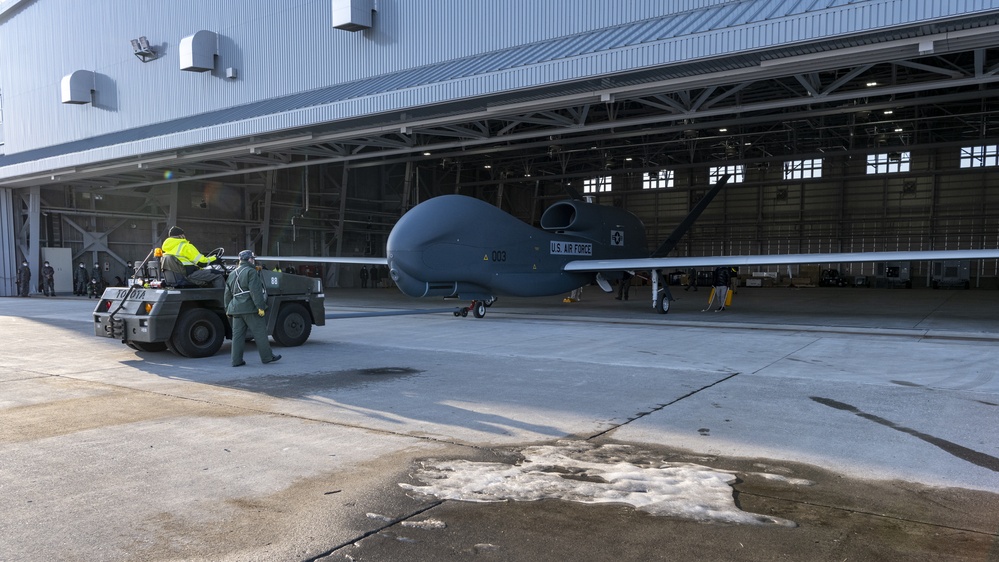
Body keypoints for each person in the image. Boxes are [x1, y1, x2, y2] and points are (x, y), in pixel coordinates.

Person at [224, 250, 281, 367]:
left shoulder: (232, 273)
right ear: (249, 259)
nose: (254, 260)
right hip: (250, 308)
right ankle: (267, 357)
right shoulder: (251, 271)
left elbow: (227, 294)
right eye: (253, 258)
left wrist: (227, 309)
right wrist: (260, 307)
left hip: (236, 309)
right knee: (260, 333)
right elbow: (256, 292)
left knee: (238, 336)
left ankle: (236, 360)